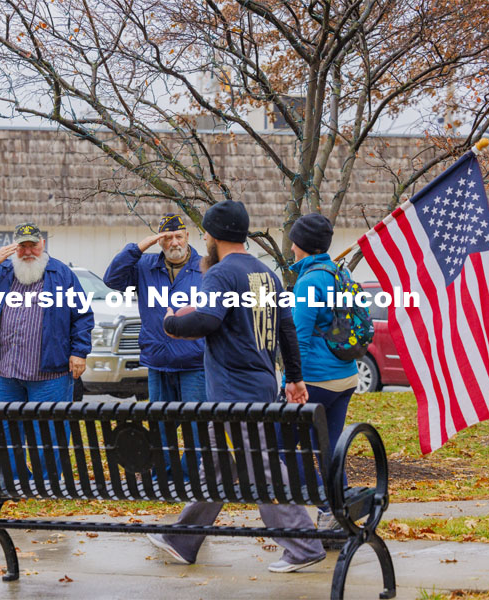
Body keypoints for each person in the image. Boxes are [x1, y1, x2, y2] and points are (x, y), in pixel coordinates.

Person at [147, 200, 327, 573]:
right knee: (218, 465)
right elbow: (286, 330)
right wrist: (293, 378)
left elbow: (208, 321)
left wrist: (170, 323)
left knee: (260, 467)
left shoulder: (221, 274)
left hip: (233, 390)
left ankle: (303, 544)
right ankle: (183, 539)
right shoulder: (266, 274)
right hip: (259, 382)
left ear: (213, 237)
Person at [0, 222, 93, 478]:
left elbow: (83, 316)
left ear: (43, 245)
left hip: (50, 372)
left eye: (33, 244)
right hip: (7, 370)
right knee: (8, 428)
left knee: (50, 429)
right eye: (22, 246)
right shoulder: (2, 272)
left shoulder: (62, 274)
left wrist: (79, 352)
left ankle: (48, 481)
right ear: (14, 248)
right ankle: (13, 478)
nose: (28, 251)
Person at [104, 214, 205, 478]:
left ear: (187, 237)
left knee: (196, 425)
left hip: (195, 362)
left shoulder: (205, 267)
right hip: (158, 361)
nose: (174, 243)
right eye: (167, 238)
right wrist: (137, 248)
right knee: (161, 425)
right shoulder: (145, 266)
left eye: (178, 236)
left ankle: (188, 475)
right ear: (159, 241)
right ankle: (163, 474)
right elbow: (112, 279)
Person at [287, 213, 359, 535]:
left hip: (316, 380)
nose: (290, 246)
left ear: (302, 245)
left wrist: (293, 380)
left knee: (281, 451)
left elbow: (298, 337)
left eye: (294, 240)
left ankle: (327, 505)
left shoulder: (310, 281)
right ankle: (338, 514)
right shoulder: (338, 273)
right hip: (345, 377)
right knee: (328, 451)